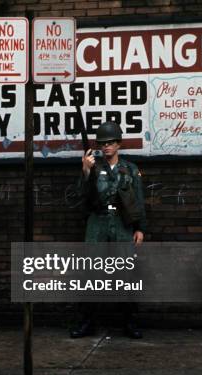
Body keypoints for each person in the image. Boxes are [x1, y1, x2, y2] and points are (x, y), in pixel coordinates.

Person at [71, 120, 147, 340]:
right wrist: (85, 171)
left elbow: (139, 200)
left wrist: (140, 228)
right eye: (102, 143)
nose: (106, 146)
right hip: (98, 222)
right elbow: (80, 198)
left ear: (118, 144)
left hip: (122, 224)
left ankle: (130, 323)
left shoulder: (130, 169)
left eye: (110, 142)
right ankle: (87, 323)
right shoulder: (93, 166)